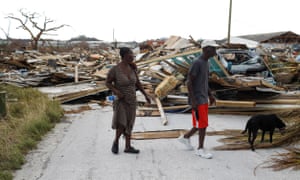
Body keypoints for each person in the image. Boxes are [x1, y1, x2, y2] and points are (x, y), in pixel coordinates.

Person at [106, 47, 151, 154]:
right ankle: (116, 141)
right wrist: (116, 92)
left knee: (130, 123)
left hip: (132, 99)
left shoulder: (133, 68)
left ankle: (128, 146)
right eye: (131, 55)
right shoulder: (115, 70)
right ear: (124, 56)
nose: (133, 57)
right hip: (121, 100)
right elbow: (107, 83)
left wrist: (145, 95)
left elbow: (138, 83)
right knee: (122, 123)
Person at [177, 40, 217, 159]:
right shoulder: (197, 63)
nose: (215, 51)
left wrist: (210, 94)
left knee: (200, 123)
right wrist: (193, 100)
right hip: (198, 99)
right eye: (213, 48)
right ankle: (200, 149)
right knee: (202, 125)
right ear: (206, 49)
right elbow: (189, 82)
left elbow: (204, 81)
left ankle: (185, 138)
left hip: (203, 97)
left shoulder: (206, 62)